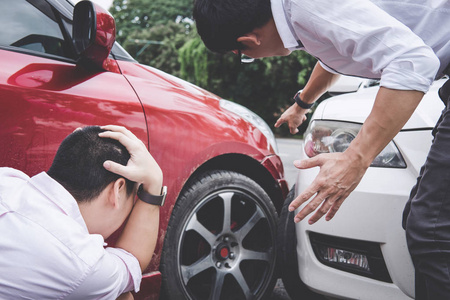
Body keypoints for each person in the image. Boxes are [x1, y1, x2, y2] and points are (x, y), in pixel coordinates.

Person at [193, 0, 450, 298]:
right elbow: (332, 53)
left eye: (243, 56)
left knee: (432, 232)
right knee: (426, 223)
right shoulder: (300, 15)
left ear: (247, 42)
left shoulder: (308, 7)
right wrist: (302, 103)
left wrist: (355, 158)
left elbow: (413, 61)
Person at [0, 125, 165, 299]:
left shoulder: (8, 178)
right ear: (118, 190)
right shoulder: (82, 262)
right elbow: (131, 262)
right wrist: (154, 182)